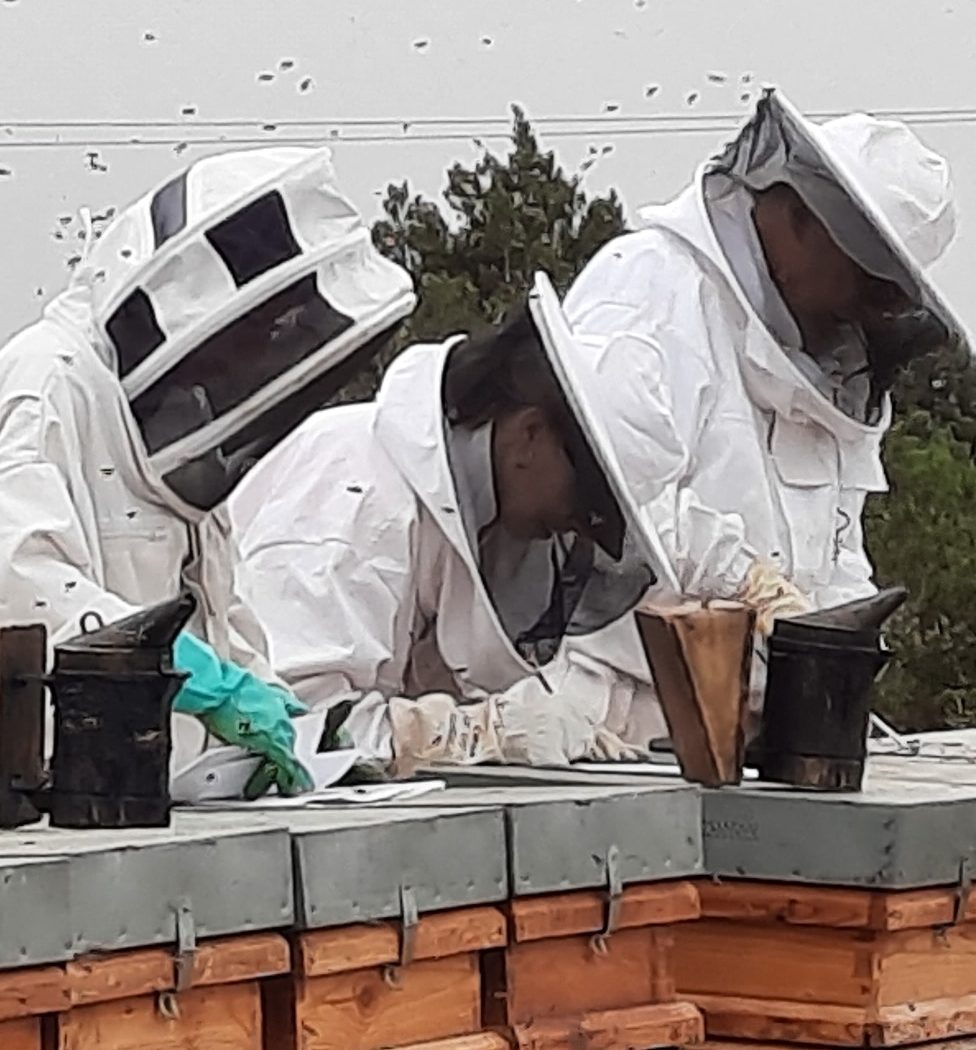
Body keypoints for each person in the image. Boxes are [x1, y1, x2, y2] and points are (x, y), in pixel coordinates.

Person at [0, 146, 416, 793]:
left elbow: (221, 611)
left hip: (151, 795)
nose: (258, 354)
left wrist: (285, 714)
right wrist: (195, 675)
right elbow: (23, 588)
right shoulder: (47, 385)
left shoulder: (182, 432)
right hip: (47, 802)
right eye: (257, 329)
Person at [564, 89, 967, 722]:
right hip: (606, 718)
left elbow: (838, 557)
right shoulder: (649, 288)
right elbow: (594, 490)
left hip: (751, 728)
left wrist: (835, 655)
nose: (871, 309)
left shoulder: (831, 375)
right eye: (867, 278)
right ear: (805, 218)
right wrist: (744, 583)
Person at [230, 273, 686, 773]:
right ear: (530, 434)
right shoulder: (352, 493)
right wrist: (474, 733)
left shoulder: (478, 519)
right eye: (588, 498)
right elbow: (294, 727)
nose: (579, 526)